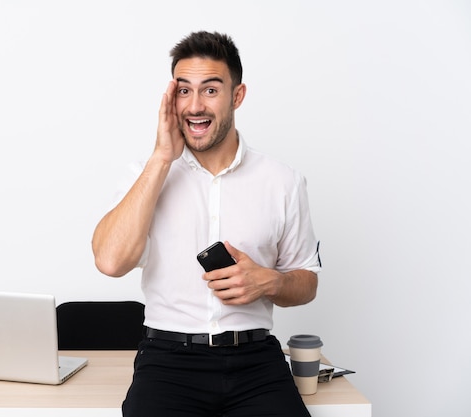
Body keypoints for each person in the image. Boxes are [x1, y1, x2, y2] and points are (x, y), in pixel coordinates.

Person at [92, 30, 321, 417]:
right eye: (184, 91)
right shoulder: (145, 175)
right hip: (167, 362)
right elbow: (110, 262)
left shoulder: (283, 181)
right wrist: (162, 158)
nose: (195, 106)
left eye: (210, 90)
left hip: (256, 362)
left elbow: (308, 281)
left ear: (237, 96)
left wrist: (273, 281)